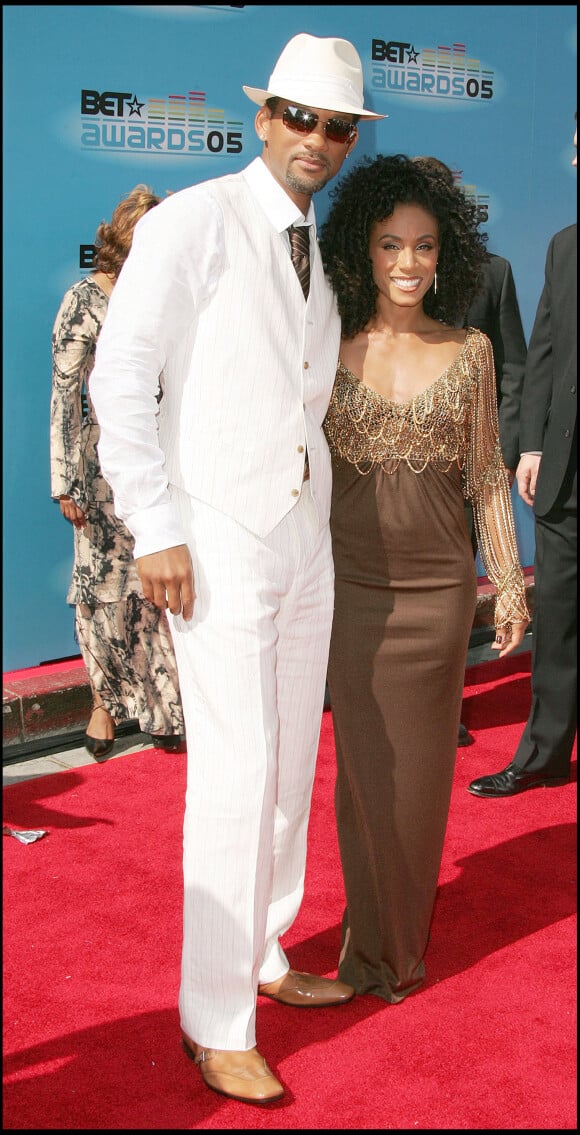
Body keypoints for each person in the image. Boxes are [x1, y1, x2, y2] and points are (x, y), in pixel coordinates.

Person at [89, 35, 385, 1105]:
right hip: (211, 537)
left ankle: (262, 949)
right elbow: (122, 381)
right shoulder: (192, 222)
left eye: (337, 125)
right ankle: (214, 1018)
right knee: (235, 768)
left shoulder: (315, 237)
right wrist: (155, 525)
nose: (316, 139)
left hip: (302, 535)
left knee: (288, 765)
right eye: (299, 116)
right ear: (262, 117)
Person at [319, 153, 530, 1004]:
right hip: (348, 589)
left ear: (447, 255)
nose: (408, 264)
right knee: (364, 776)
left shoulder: (472, 351)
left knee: (418, 782)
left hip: (438, 594)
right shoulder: (324, 347)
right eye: (390, 245)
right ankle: (365, 945)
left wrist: (509, 582)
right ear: (360, 251)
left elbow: (485, 475)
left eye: (425, 247)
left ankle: (396, 950)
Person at [50, 185, 185, 757]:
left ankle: (163, 707)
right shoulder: (86, 299)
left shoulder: (173, 300)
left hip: (165, 464)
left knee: (158, 591)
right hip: (99, 472)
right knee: (104, 593)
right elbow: (64, 395)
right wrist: (66, 479)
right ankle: (104, 705)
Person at [468, 117, 577, 798]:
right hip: (567, 473)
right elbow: (541, 351)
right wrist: (531, 441)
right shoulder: (565, 247)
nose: (573, 153)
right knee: (559, 622)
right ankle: (542, 755)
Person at [413, 156, 528, 746]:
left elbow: (514, 371)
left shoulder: (494, 273)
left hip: (467, 468)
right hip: (395, 466)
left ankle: (443, 702)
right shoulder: (381, 270)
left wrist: (505, 453)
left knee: (455, 590)